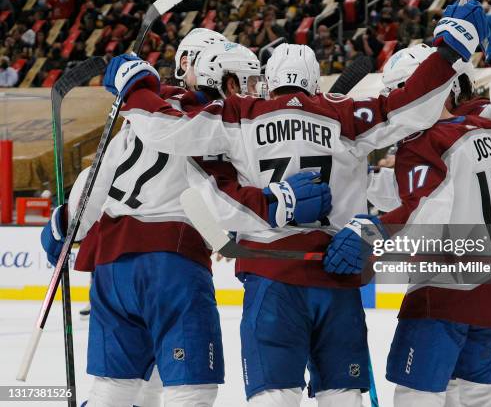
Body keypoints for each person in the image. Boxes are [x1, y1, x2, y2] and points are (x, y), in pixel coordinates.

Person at [105, 0, 489, 406]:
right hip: (335, 272)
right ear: (315, 81)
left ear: (269, 80)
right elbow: (409, 107)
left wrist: (134, 92)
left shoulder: (238, 112)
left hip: (270, 275)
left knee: (275, 397)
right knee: (342, 397)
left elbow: (172, 130)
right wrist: (449, 51)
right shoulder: (347, 114)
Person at [40, 35, 331, 407]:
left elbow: (98, 178)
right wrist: (281, 203)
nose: (258, 90)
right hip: (171, 265)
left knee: (114, 389)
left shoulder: (146, 113)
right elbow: (212, 192)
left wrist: (63, 228)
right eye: (251, 81)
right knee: (191, 390)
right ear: (229, 82)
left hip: (112, 268)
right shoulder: (219, 122)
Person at [335, 13, 491, 407]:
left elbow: (426, 214)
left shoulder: (423, 143)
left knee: (418, 395)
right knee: (478, 395)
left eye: (405, 93)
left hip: (444, 292)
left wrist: (372, 233)